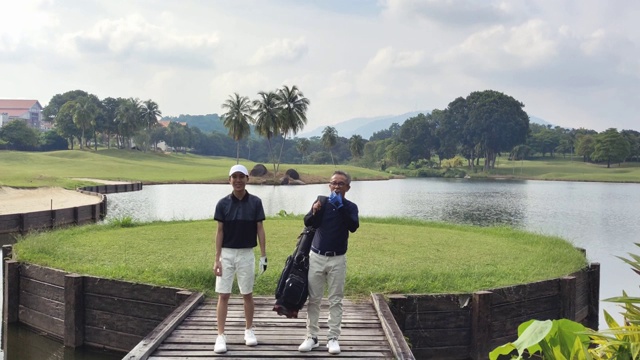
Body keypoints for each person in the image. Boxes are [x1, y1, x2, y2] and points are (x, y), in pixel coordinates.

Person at [298, 170, 359, 354]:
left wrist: (340, 207)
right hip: (316, 256)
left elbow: (353, 226)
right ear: (329, 185)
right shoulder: (321, 201)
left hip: (338, 258)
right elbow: (309, 222)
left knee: (335, 300)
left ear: (347, 187)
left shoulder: (350, 207)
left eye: (341, 184)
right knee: (314, 299)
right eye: (334, 183)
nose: (336, 186)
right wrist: (314, 210)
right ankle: (312, 337)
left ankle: (333, 337)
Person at [213, 164, 267, 354]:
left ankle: (249, 330)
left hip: (246, 253)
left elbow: (260, 229)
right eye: (234, 177)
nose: (238, 180)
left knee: (247, 294)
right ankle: (221, 335)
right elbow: (219, 232)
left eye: (241, 177)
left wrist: (263, 255)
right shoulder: (222, 203)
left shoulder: (255, 202)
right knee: (223, 294)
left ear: (247, 179)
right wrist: (217, 259)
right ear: (229, 180)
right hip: (227, 253)